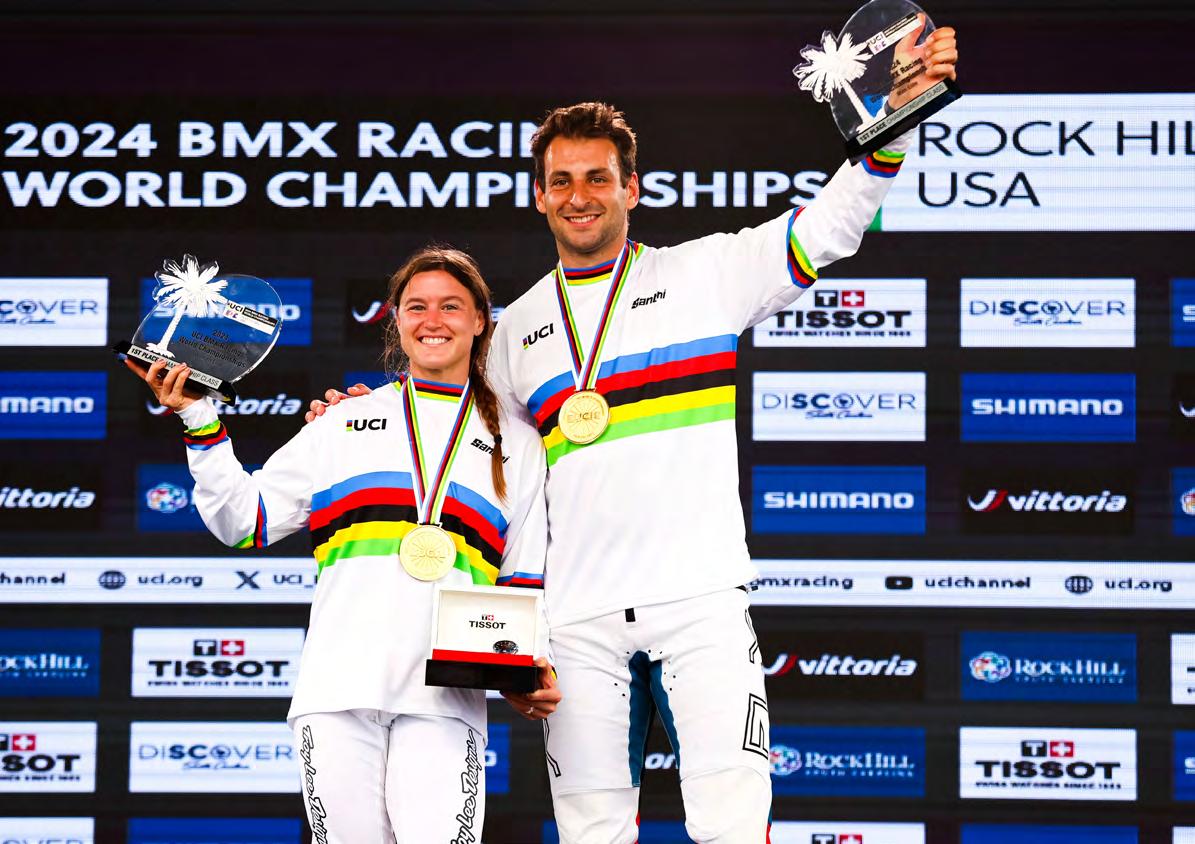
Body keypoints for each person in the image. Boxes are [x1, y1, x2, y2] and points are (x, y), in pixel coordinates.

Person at [311, 25, 958, 843]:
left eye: (597, 178)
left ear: (632, 189)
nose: (579, 195)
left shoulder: (704, 275)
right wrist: (358, 423)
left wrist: (890, 130)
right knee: (592, 833)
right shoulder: (513, 334)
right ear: (539, 197)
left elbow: (827, 227)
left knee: (732, 827)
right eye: (560, 181)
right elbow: (469, 461)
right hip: (575, 621)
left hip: (699, 602)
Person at [128, 246, 555, 844]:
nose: (433, 320)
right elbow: (244, 521)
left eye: (451, 306)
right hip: (336, 689)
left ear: (481, 320)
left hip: (446, 697)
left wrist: (526, 665)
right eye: (416, 307)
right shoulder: (342, 421)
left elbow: (523, 575)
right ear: (396, 320)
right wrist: (199, 420)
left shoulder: (518, 439)